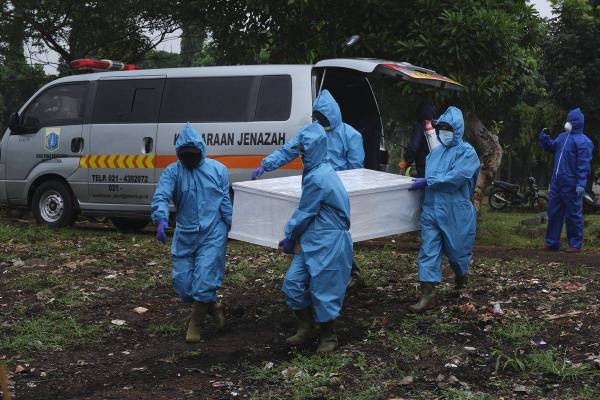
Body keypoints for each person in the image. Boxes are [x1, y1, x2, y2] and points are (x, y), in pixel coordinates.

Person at [252, 89, 364, 288]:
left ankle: (349, 272)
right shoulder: (310, 133)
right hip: (314, 186)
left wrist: (340, 190)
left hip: (337, 194)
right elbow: (289, 150)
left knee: (337, 236)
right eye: (318, 117)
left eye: (324, 117)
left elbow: (355, 171)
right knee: (313, 231)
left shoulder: (351, 135)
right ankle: (312, 273)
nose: (320, 122)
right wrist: (267, 164)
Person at [151, 122, 233, 343]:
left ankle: (194, 325)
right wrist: (160, 218)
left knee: (205, 279)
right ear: (179, 154)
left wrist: (232, 225)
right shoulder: (173, 172)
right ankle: (213, 306)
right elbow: (161, 195)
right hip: (185, 232)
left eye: (193, 154)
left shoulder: (218, 170)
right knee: (184, 284)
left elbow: (225, 201)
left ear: (201, 151)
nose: (189, 158)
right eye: (184, 155)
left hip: (213, 231)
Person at [279, 122, 353, 353]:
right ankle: (306, 326)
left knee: (324, 290)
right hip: (313, 239)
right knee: (292, 284)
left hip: (329, 241)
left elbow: (305, 211)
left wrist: (290, 234)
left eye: (306, 151)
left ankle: (328, 335)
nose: (302, 155)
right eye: (302, 151)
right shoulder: (316, 171)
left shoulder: (319, 177)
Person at [408, 106, 480, 313]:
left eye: (447, 128)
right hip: (432, 210)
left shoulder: (468, 153)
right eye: (440, 128)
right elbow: (430, 181)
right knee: (428, 250)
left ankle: (460, 275)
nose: (443, 132)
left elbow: (457, 179)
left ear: (457, 129)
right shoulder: (434, 154)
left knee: (457, 254)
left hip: (456, 211)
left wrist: (428, 180)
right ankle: (427, 293)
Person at [539, 107, 594, 252]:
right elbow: (551, 147)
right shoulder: (562, 137)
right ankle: (552, 243)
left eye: (569, 120)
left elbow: (584, 164)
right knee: (554, 212)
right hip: (557, 182)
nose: (567, 123)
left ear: (575, 122)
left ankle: (575, 244)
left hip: (571, 183)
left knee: (573, 214)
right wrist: (544, 137)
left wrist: (581, 183)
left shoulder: (583, 142)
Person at [399, 103, 436, 178]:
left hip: (424, 169)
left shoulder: (420, 125)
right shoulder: (436, 126)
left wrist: (406, 161)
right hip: (436, 168)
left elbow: (414, 147)